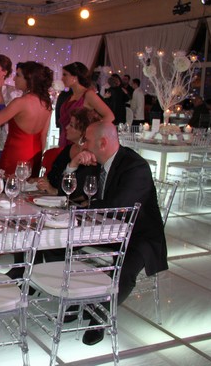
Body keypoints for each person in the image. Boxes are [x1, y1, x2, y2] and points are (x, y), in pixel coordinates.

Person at [69, 120, 167, 345]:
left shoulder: (135, 166)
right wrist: (74, 164)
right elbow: (72, 191)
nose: (84, 145)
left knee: (124, 269)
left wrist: (86, 206)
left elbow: (119, 206)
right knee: (61, 247)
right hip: (105, 231)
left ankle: (99, 317)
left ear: (102, 143)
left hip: (139, 236)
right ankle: (76, 299)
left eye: (87, 141)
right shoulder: (97, 162)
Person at [36, 107, 101, 201]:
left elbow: (84, 194)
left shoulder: (90, 157)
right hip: (54, 201)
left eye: (71, 125)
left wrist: (55, 191)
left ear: (83, 132)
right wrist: (42, 182)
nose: (66, 127)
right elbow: (52, 177)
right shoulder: (68, 150)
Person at [58, 62, 113, 147]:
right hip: (65, 139)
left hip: (80, 143)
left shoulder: (88, 94)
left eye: (65, 75)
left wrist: (91, 131)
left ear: (75, 77)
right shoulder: (70, 96)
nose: (62, 78)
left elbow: (110, 116)